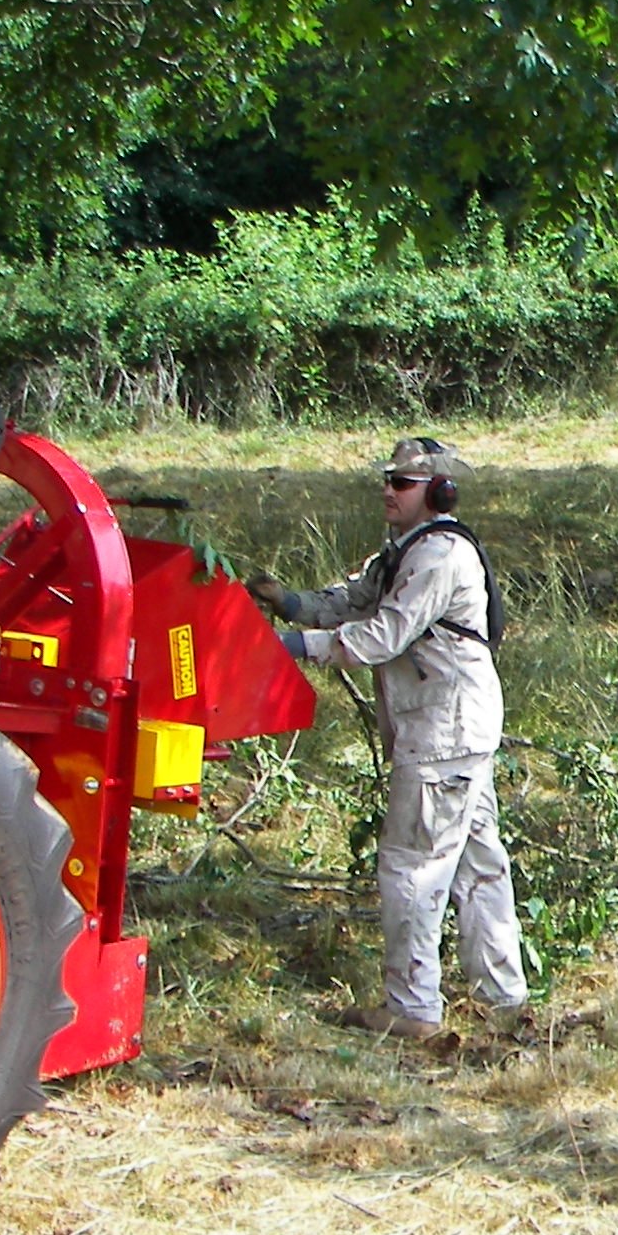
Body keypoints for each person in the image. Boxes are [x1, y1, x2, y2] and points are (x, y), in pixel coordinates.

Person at [247, 436, 529, 1039]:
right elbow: (355, 598)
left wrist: (291, 648)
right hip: (455, 725)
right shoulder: (406, 551)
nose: (388, 490)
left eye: (401, 483)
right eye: (388, 480)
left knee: (413, 866)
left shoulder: (438, 556)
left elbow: (381, 635)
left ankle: (412, 1007)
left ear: (438, 492)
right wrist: (290, 604)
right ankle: (502, 996)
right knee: (478, 864)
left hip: (443, 729)